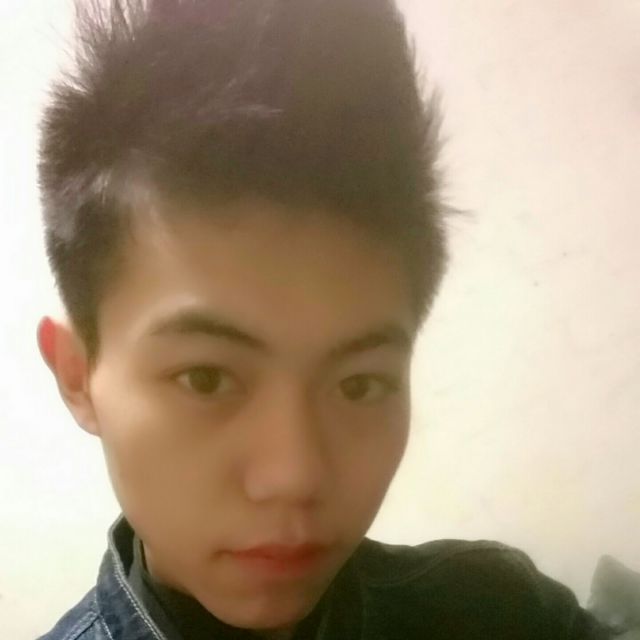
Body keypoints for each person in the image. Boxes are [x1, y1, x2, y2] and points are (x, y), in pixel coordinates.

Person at [35, 1, 611, 638]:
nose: (296, 476)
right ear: (77, 376)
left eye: (360, 384)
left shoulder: (498, 609)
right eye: (206, 378)